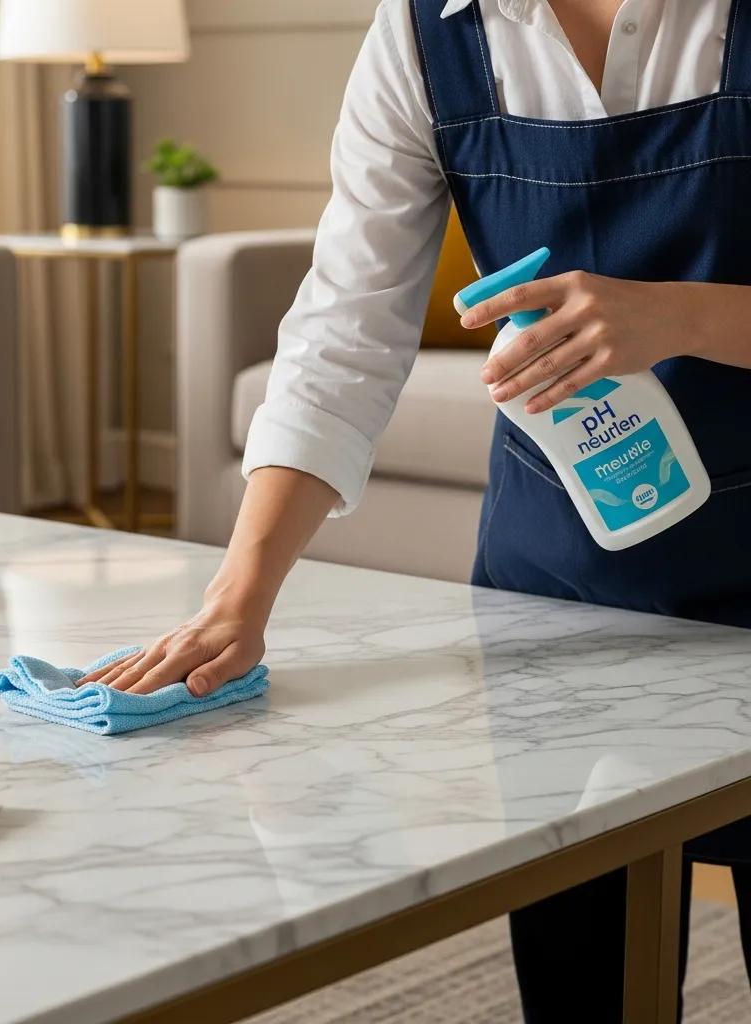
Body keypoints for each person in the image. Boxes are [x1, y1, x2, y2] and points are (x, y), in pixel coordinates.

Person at [80, 1, 751, 1018]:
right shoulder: (424, 34)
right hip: (557, 597)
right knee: (579, 978)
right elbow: (346, 328)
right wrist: (236, 598)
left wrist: (680, 314)